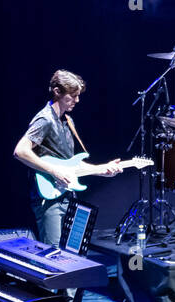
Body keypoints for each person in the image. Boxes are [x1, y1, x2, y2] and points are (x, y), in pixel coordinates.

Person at [13, 69, 122, 246]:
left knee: (70, 253)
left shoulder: (66, 121)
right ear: (57, 92)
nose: (77, 100)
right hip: (49, 200)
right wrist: (54, 171)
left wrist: (102, 169)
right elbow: (20, 151)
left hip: (66, 195)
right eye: (73, 95)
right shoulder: (45, 119)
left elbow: (70, 165)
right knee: (53, 255)